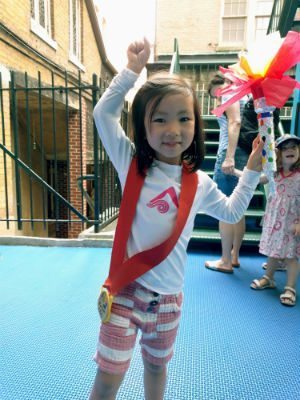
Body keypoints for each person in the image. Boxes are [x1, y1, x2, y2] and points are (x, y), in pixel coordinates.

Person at [90, 38, 264, 400]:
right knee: (109, 378)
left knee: (157, 368)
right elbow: (102, 115)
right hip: (125, 292)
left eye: (184, 118)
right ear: (143, 127)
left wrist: (249, 173)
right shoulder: (132, 163)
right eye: (160, 119)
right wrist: (132, 71)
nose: (173, 129)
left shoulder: (198, 184)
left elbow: (231, 211)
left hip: (169, 300)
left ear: (196, 124)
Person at [204, 73, 250, 273]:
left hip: (230, 153)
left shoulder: (228, 91)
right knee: (238, 209)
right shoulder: (245, 94)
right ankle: (234, 256)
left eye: (214, 94)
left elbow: (235, 122)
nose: (216, 98)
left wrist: (229, 156)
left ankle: (224, 260)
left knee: (224, 207)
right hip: (245, 152)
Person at [249, 134, 300, 306]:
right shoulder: (274, 173)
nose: (290, 150)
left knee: (291, 256)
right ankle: (269, 278)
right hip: (275, 221)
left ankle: (290, 287)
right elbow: (255, 179)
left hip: (292, 222)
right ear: (278, 154)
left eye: (294, 147)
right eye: (285, 148)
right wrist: (237, 172)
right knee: (273, 251)